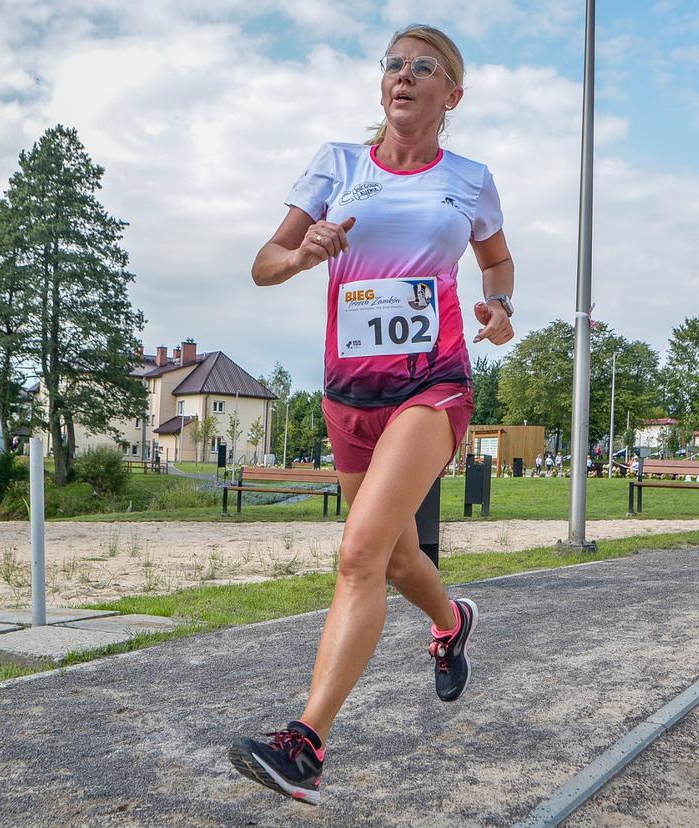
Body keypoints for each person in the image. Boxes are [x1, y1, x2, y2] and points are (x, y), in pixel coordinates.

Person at [228, 24, 515, 806]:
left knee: (357, 554)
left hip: (433, 384)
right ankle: (452, 619)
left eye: (425, 68)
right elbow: (264, 266)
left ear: (450, 96)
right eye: (394, 65)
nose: (405, 76)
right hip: (348, 390)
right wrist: (304, 251)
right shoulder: (338, 166)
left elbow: (495, 259)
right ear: (381, 84)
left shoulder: (470, 178)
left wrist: (502, 307)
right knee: (388, 557)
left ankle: (305, 743)